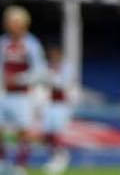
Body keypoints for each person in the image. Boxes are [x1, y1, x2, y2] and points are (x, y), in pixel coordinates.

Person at [0, 5, 47, 175]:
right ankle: (1, 161)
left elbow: (40, 71)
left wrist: (20, 78)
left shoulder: (32, 44)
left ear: (23, 23)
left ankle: (20, 165)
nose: (7, 24)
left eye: (12, 21)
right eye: (7, 21)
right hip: (3, 94)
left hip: (23, 95)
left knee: (24, 131)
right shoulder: (1, 43)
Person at [41, 43, 74, 175]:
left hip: (61, 104)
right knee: (47, 134)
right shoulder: (46, 67)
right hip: (49, 103)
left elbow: (63, 84)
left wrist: (52, 77)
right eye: (51, 55)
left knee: (57, 132)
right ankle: (56, 155)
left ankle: (60, 157)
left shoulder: (66, 68)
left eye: (56, 54)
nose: (54, 57)